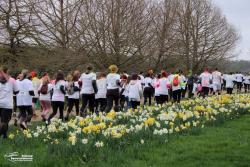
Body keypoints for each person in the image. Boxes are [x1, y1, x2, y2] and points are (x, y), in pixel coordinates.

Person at [0, 66, 19, 138]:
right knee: (5, 122)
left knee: (3, 122)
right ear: (7, 71)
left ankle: (5, 136)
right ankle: (2, 134)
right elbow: (17, 91)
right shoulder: (12, 80)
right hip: (7, 104)